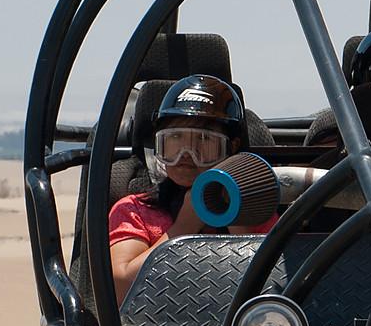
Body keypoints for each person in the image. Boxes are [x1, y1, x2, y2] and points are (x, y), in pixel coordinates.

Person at [107, 74, 272, 303]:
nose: (187, 154)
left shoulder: (257, 209)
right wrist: (184, 226)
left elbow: (275, 285)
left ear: (230, 147)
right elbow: (120, 289)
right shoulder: (135, 211)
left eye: (204, 140)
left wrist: (232, 210)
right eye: (174, 138)